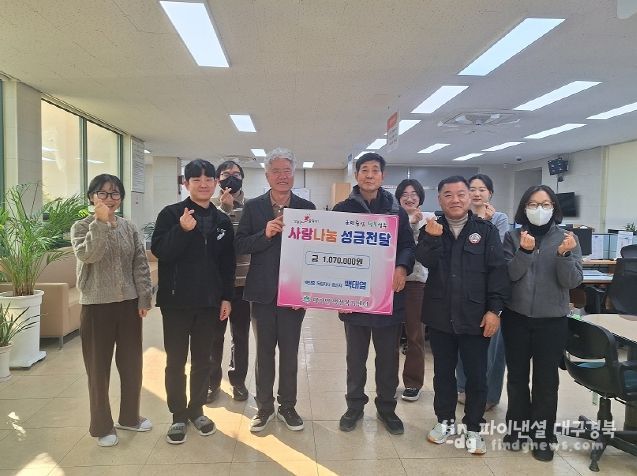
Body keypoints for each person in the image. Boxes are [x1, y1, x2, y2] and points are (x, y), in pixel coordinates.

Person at [416, 175, 508, 455]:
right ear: (440, 199)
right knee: (443, 374)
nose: (455, 200)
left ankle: (473, 427)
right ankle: (444, 421)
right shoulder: (431, 228)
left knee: (477, 376)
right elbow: (424, 260)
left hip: (475, 315)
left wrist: (494, 310)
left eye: (460, 194)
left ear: (469, 197)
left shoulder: (486, 230)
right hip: (440, 315)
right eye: (448, 195)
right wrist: (432, 238)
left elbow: (498, 272)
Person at [151, 159, 236, 444]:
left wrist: (227, 297)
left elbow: (227, 263)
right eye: (196, 179)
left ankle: (197, 409)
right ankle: (178, 415)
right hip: (176, 303)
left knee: (203, 360)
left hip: (209, 303)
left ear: (216, 183)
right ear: (186, 183)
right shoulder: (171, 214)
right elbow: (161, 251)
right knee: (175, 361)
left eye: (208, 179)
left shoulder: (222, 220)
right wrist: (182, 230)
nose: (203, 184)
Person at [333, 153, 415, 435]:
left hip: (387, 296)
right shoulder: (342, 209)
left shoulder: (395, 211)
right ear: (356, 175)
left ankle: (387, 408)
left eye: (375, 170)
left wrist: (402, 267)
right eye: (364, 170)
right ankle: (354, 406)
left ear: (383, 176)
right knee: (355, 358)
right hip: (353, 296)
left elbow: (407, 245)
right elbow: (332, 251)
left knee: (388, 359)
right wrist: (336, 293)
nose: (369, 175)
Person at [235, 147, 315, 432]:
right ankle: (264, 407)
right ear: (267, 176)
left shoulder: (307, 209)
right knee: (264, 352)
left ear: (294, 174)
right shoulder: (253, 207)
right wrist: (265, 233)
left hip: (294, 294)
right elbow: (240, 244)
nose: (282, 176)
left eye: (287, 171)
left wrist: (306, 290)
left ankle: (288, 406)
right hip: (262, 292)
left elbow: (314, 254)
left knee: (290, 353)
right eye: (276, 171)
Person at [501, 185, 582, 462]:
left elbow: (572, 281)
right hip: (516, 318)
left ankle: (543, 436)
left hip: (552, 321)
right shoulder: (512, 237)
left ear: (554, 208)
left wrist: (564, 256)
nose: (539, 209)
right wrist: (524, 252)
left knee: (546, 381)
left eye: (545, 204)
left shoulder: (567, 239)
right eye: (533, 204)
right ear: (524, 208)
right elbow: (508, 276)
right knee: (517, 377)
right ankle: (517, 430)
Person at [71, 174, 153, 447]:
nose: (109, 198)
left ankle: (129, 417)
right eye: (103, 193)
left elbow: (140, 264)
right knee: (98, 369)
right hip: (96, 306)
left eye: (115, 193)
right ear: (92, 197)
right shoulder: (81, 226)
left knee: (132, 365)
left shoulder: (129, 227)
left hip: (128, 305)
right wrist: (100, 223)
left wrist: (144, 298)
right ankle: (102, 425)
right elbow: (88, 255)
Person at [456, 174, 509, 410]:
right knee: (463, 344)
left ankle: (489, 394)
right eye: (472, 189)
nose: (477, 193)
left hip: (490, 292)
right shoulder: (460, 217)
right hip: (463, 291)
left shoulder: (499, 218)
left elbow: (498, 254)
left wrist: (486, 224)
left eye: (482, 189)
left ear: (490, 194)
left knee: (492, 348)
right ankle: (462, 387)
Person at [207, 160, 251, 403]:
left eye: (236, 174)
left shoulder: (253, 208)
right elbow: (211, 242)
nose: (231, 178)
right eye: (225, 174)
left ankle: (238, 381)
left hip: (244, 284)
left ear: (243, 178)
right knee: (214, 336)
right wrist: (224, 210)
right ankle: (212, 382)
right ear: (217, 180)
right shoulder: (210, 208)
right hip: (216, 285)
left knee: (240, 336)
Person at [394, 179, 434, 402]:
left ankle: (413, 383)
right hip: (391, 282)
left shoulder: (430, 219)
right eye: (405, 194)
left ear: (420, 197)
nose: (409, 198)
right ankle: (388, 382)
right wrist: (408, 223)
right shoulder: (393, 218)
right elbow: (391, 245)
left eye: (414, 194)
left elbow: (423, 252)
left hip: (416, 282)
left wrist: (416, 225)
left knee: (415, 335)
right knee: (388, 335)